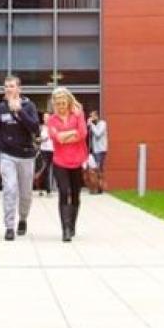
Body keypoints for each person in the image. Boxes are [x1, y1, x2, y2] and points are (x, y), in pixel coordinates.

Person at [0, 76, 41, 241]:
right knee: (10, 189)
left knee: (25, 194)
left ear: (19, 89)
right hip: (7, 155)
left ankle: (23, 218)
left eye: (11, 86)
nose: (8, 89)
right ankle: (9, 226)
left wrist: (19, 111)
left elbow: (35, 129)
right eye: (6, 86)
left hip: (26, 155)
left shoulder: (29, 106)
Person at [47, 87, 88, 243]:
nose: (61, 106)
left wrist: (65, 135)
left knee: (76, 193)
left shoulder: (78, 115)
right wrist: (72, 134)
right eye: (58, 103)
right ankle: (65, 229)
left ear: (69, 101)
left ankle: (72, 225)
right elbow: (56, 138)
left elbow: (83, 134)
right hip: (60, 161)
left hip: (77, 160)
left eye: (63, 102)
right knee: (64, 191)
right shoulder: (52, 120)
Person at [88, 111, 108, 194]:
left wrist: (91, 125)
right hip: (94, 150)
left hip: (100, 150)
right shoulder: (92, 125)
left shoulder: (102, 123)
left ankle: (99, 188)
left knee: (99, 169)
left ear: (96, 116)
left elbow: (98, 134)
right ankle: (95, 187)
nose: (91, 118)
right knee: (94, 169)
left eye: (92, 116)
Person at [36, 112, 54, 196]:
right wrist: (42, 139)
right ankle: (45, 190)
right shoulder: (41, 128)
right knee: (44, 169)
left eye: (48, 117)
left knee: (53, 170)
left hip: (53, 150)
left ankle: (51, 188)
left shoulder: (54, 127)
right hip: (44, 150)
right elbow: (36, 139)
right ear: (43, 118)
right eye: (45, 117)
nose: (46, 119)